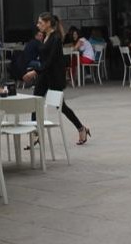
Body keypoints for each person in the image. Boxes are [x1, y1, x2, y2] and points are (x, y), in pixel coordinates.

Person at [22, 12, 91, 145]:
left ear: (48, 23)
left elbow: (51, 60)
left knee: (61, 106)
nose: (38, 25)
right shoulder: (45, 37)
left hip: (54, 77)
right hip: (44, 76)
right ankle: (36, 134)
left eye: (40, 23)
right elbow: (43, 59)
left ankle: (81, 128)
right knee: (35, 102)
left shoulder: (56, 38)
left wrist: (35, 71)